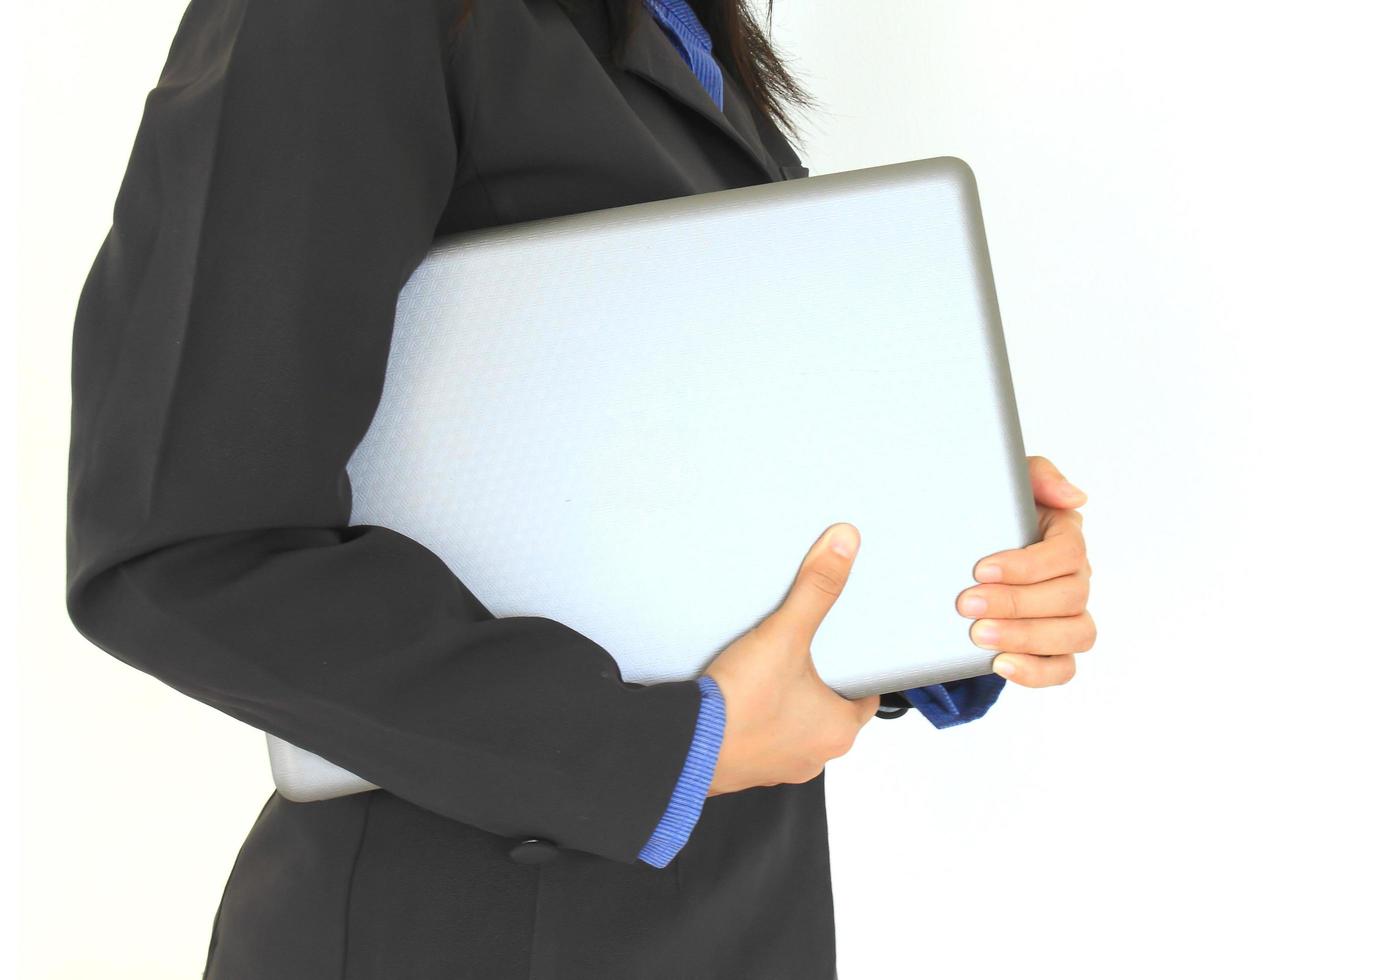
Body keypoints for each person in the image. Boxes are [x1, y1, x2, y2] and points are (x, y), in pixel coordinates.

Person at [64, 0, 1095, 976]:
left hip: (730, 912)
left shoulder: (671, 25)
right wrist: (670, 750)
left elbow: (677, 451)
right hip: (467, 927)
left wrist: (957, 568)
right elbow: (180, 544)